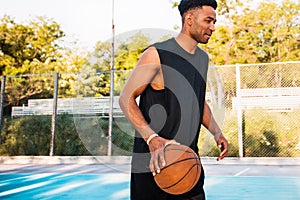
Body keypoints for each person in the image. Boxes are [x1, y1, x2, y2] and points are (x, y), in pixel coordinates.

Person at [119, 0, 229, 199]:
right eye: (208, 20)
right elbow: (126, 98)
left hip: (187, 163)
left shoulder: (202, 59)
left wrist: (216, 131)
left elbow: (199, 101)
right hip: (154, 164)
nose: (213, 27)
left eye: (214, 22)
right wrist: (151, 139)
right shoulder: (157, 54)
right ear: (189, 19)